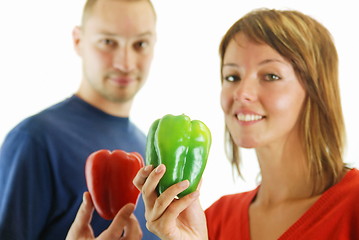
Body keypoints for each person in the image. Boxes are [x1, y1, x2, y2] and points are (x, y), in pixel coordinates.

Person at [133, 8, 359, 240]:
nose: (241, 93)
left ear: (316, 89)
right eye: (232, 77)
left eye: (270, 76)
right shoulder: (212, 221)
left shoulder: (354, 205)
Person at [0, 0, 159, 239]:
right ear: (78, 41)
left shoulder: (148, 147)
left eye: (140, 44)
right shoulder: (35, 140)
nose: (125, 63)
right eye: (108, 42)